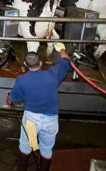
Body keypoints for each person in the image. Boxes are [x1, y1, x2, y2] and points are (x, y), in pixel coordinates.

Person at [6, 43, 70, 171]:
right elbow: (66, 61)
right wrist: (61, 48)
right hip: (50, 121)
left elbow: (13, 98)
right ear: (40, 63)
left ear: (25, 65)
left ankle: (21, 168)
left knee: (25, 147)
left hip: (31, 120)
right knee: (46, 150)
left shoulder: (22, 80)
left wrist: (9, 98)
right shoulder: (52, 74)